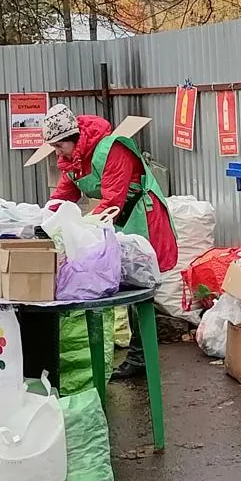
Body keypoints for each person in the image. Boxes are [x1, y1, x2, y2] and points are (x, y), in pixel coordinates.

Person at [37, 103, 176, 379]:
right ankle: (139, 356)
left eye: (58, 146)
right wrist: (42, 220)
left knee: (141, 283)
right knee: (125, 280)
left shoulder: (112, 149)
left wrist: (82, 228)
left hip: (142, 215)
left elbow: (113, 200)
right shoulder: (74, 160)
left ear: (72, 138)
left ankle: (141, 356)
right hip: (120, 219)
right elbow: (63, 195)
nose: (56, 152)